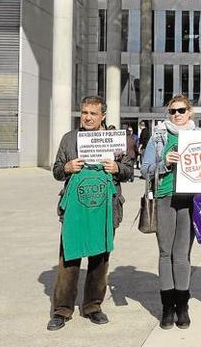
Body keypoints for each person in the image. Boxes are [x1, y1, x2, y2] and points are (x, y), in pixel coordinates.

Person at [47, 95, 134, 331]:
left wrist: (117, 168)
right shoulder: (69, 139)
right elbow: (56, 170)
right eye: (84, 112)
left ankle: (93, 307)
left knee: (100, 260)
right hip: (75, 209)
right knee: (69, 259)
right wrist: (66, 168)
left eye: (93, 114)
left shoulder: (116, 140)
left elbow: (129, 171)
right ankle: (61, 310)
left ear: (103, 116)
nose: (87, 117)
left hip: (106, 208)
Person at [141, 95, 201, 330]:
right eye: (172, 111)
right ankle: (167, 306)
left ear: (190, 112)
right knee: (166, 253)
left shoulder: (199, 136)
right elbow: (145, 169)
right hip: (165, 196)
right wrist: (164, 162)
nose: (177, 114)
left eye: (181, 110)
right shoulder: (158, 136)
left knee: (182, 254)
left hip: (190, 200)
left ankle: (182, 305)